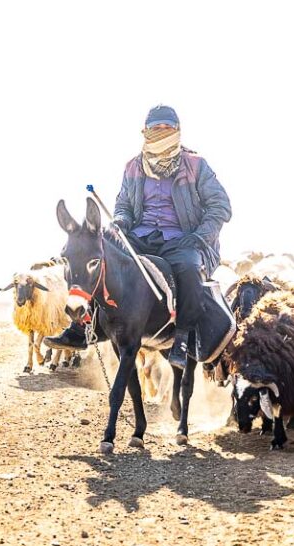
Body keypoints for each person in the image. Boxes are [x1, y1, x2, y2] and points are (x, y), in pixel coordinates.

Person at [45, 104, 232, 368]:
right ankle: (82, 328)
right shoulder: (133, 167)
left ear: (177, 130)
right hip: (140, 237)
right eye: (156, 128)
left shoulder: (196, 165)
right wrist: (120, 222)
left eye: (167, 128)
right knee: (98, 252)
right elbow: (123, 206)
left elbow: (220, 206)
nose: (161, 132)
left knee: (189, 269)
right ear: (146, 132)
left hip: (182, 239)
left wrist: (200, 237)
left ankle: (181, 339)